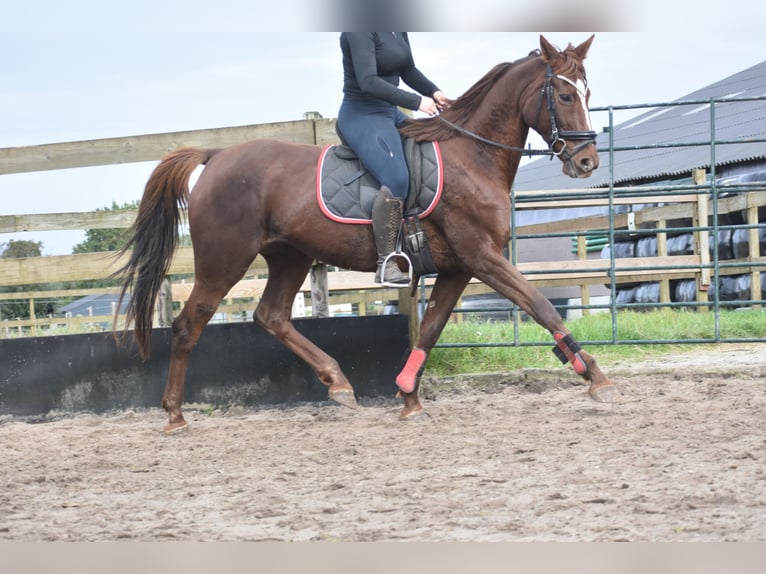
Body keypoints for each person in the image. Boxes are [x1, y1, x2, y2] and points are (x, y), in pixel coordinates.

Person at [337, 32, 451, 285]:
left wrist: (434, 91)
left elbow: (407, 69)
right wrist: (416, 101)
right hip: (361, 114)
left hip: (390, 113)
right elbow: (368, 81)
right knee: (397, 178)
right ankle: (386, 262)